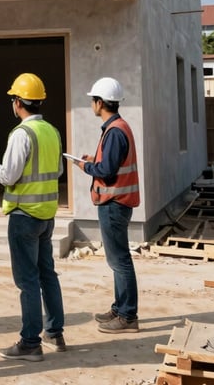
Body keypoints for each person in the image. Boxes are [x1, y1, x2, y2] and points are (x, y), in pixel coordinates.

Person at [0, 73, 66, 362]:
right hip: (46, 214)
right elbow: (57, 171)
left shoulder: (22, 134)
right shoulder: (52, 131)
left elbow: (9, 174)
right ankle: (54, 332)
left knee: (28, 280)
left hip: (23, 216)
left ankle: (30, 342)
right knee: (47, 273)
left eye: (13, 99)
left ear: (17, 103)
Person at [75, 76, 140, 333]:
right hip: (117, 202)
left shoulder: (114, 131)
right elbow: (111, 162)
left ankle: (127, 316)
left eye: (93, 101)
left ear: (100, 103)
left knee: (119, 260)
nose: (92, 105)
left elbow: (107, 170)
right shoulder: (119, 127)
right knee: (116, 260)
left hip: (114, 202)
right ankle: (119, 308)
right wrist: (96, 159)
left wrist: (85, 166)